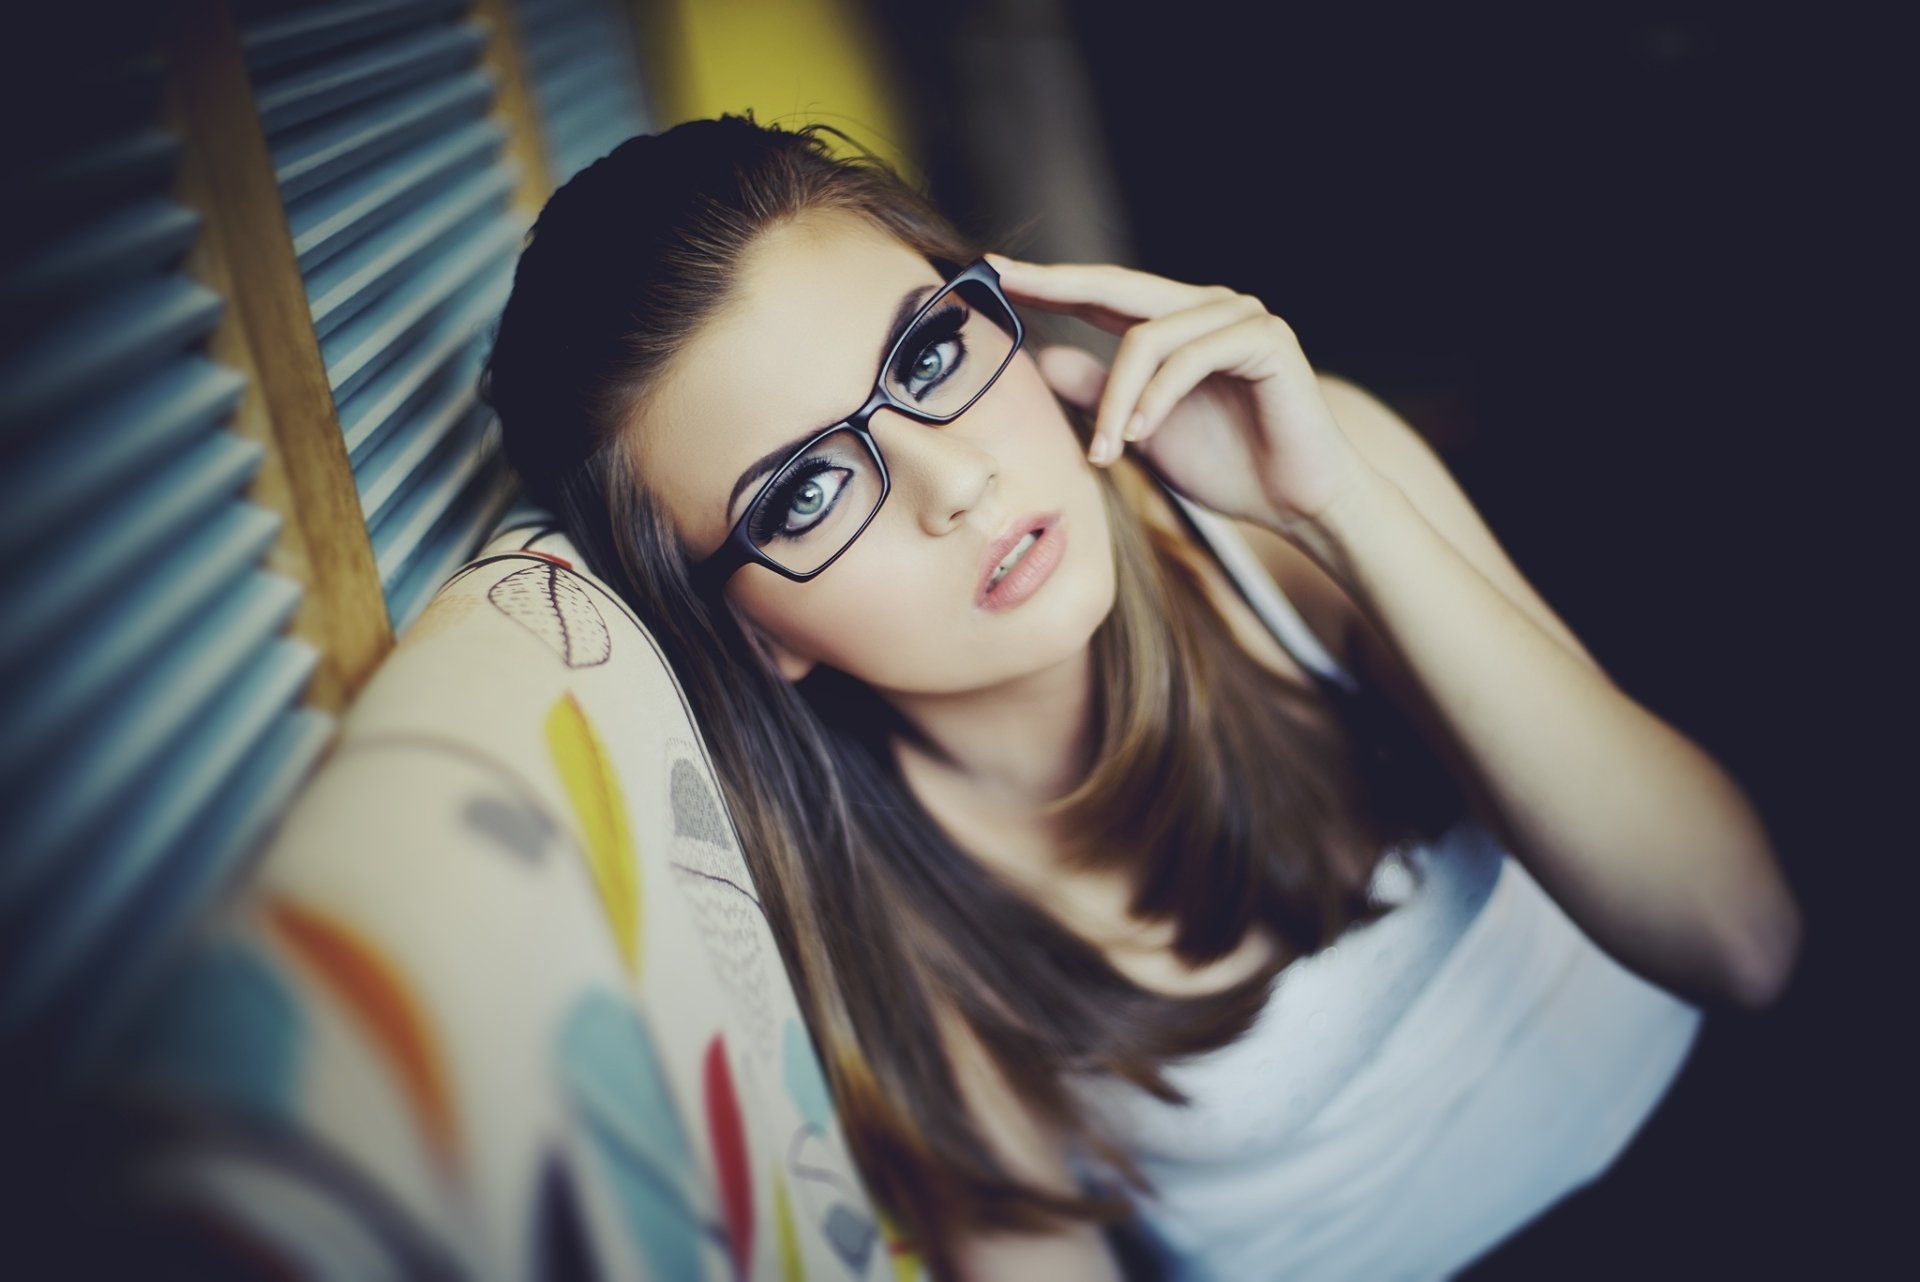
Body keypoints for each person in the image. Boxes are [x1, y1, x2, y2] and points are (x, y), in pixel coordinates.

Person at [480, 114, 1801, 1281]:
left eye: (932, 352)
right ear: (751, 632)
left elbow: (1741, 938)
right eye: (808, 493)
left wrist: (1333, 506)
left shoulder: (1291, 511)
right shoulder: (880, 926)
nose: (956, 487)